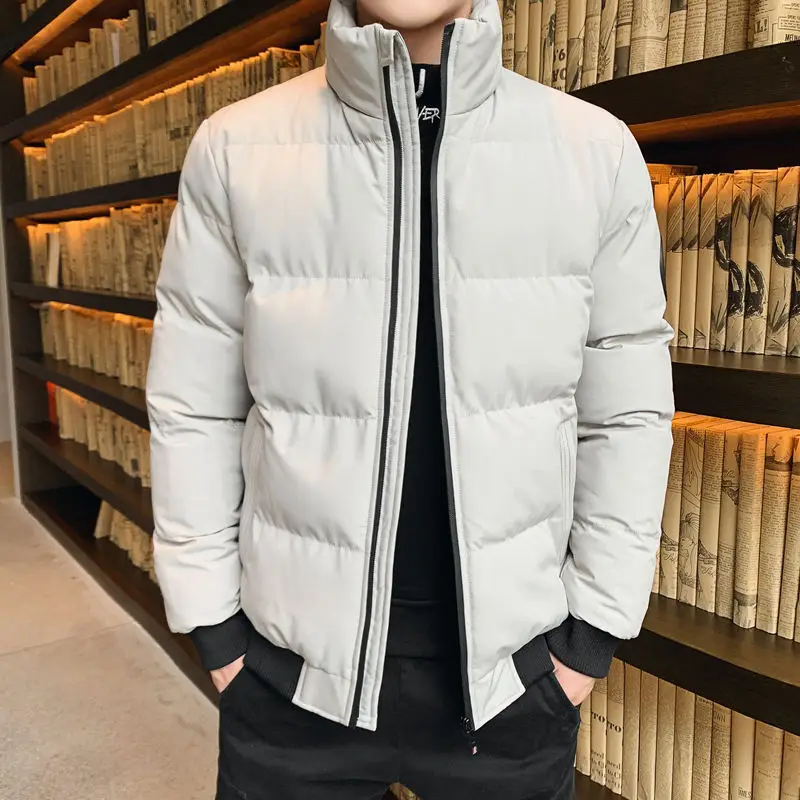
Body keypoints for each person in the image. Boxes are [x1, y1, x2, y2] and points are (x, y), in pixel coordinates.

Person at [145, 0, 674, 797]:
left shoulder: (592, 152)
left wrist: (589, 638)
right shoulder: (236, 149)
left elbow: (626, 414)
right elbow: (195, 405)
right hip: (288, 684)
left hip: (514, 689)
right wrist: (216, 630)